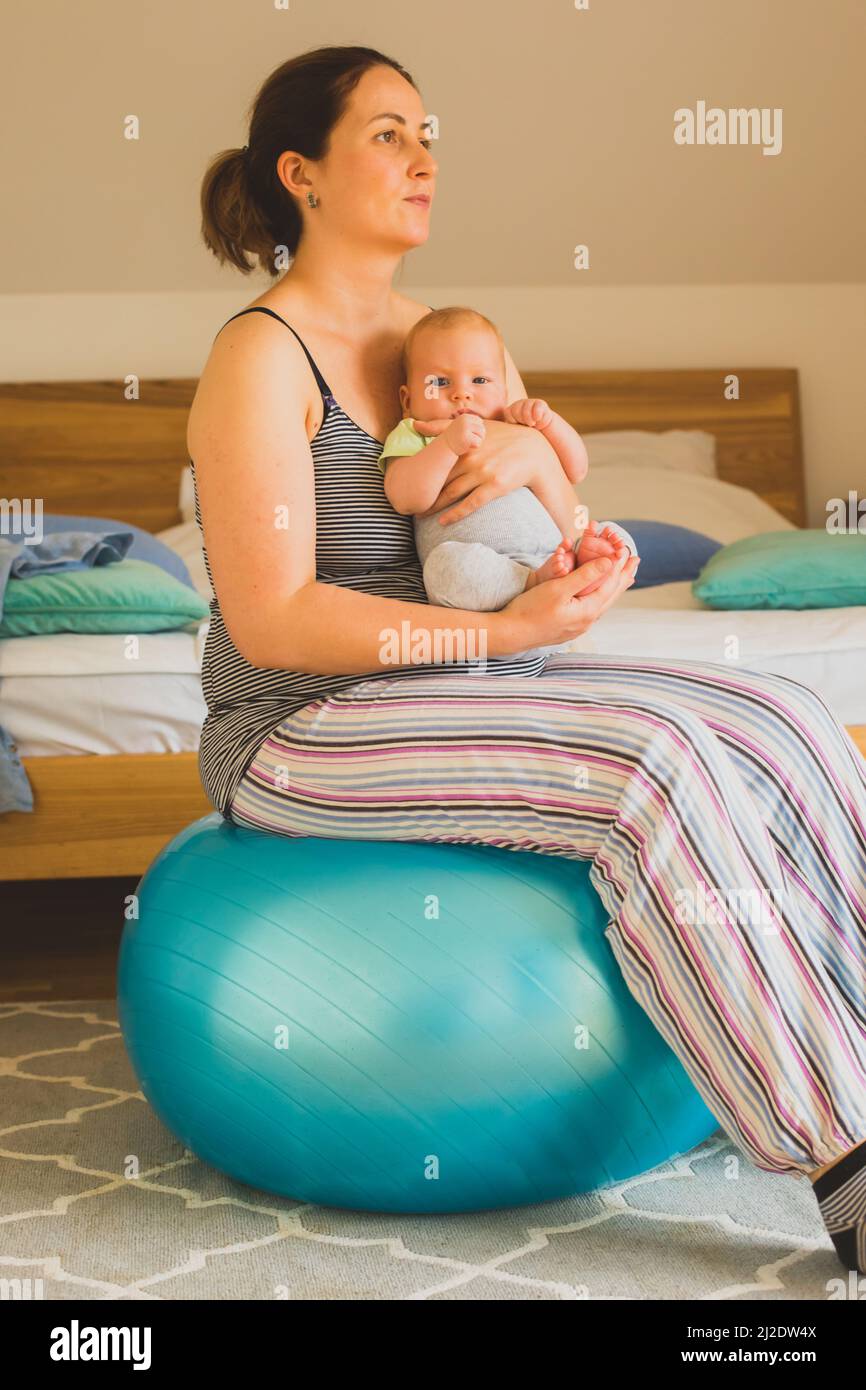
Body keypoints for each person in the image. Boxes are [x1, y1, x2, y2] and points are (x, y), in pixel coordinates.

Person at [188, 44, 866, 1274]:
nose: (423, 155)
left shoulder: (442, 346)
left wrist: (570, 565)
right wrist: (500, 637)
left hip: (459, 683)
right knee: (654, 764)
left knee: (785, 712)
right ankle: (845, 1154)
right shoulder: (260, 358)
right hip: (301, 724)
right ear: (300, 173)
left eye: (425, 130)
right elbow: (271, 620)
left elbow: (528, 509)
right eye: (386, 133)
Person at [374, 303, 638, 647]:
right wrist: (447, 446)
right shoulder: (417, 433)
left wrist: (546, 426)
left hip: (552, 550)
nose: (462, 393)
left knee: (614, 537)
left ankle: (585, 562)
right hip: (485, 574)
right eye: (440, 382)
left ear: (504, 390)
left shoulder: (513, 424)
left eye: (480, 380)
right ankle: (532, 583)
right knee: (446, 571)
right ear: (407, 401)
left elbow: (576, 469)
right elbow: (406, 497)